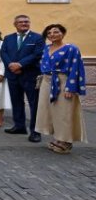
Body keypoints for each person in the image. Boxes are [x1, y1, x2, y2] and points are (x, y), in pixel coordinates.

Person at [36, 24, 87, 154]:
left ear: (63, 34)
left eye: (56, 32)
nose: (52, 34)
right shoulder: (46, 48)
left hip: (63, 82)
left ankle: (66, 141)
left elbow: (75, 68)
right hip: (47, 81)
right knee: (49, 111)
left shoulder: (71, 49)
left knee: (64, 112)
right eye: (49, 33)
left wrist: (70, 88)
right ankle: (57, 138)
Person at [0, 14, 44, 143]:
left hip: (30, 75)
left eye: (26, 21)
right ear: (15, 24)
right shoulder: (8, 38)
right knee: (16, 101)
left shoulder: (38, 37)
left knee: (34, 104)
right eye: (20, 22)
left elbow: (37, 54)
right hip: (13, 75)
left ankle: (36, 131)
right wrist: (10, 65)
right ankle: (19, 126)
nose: (24, 24)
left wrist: (20, 64)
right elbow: (4, 53)